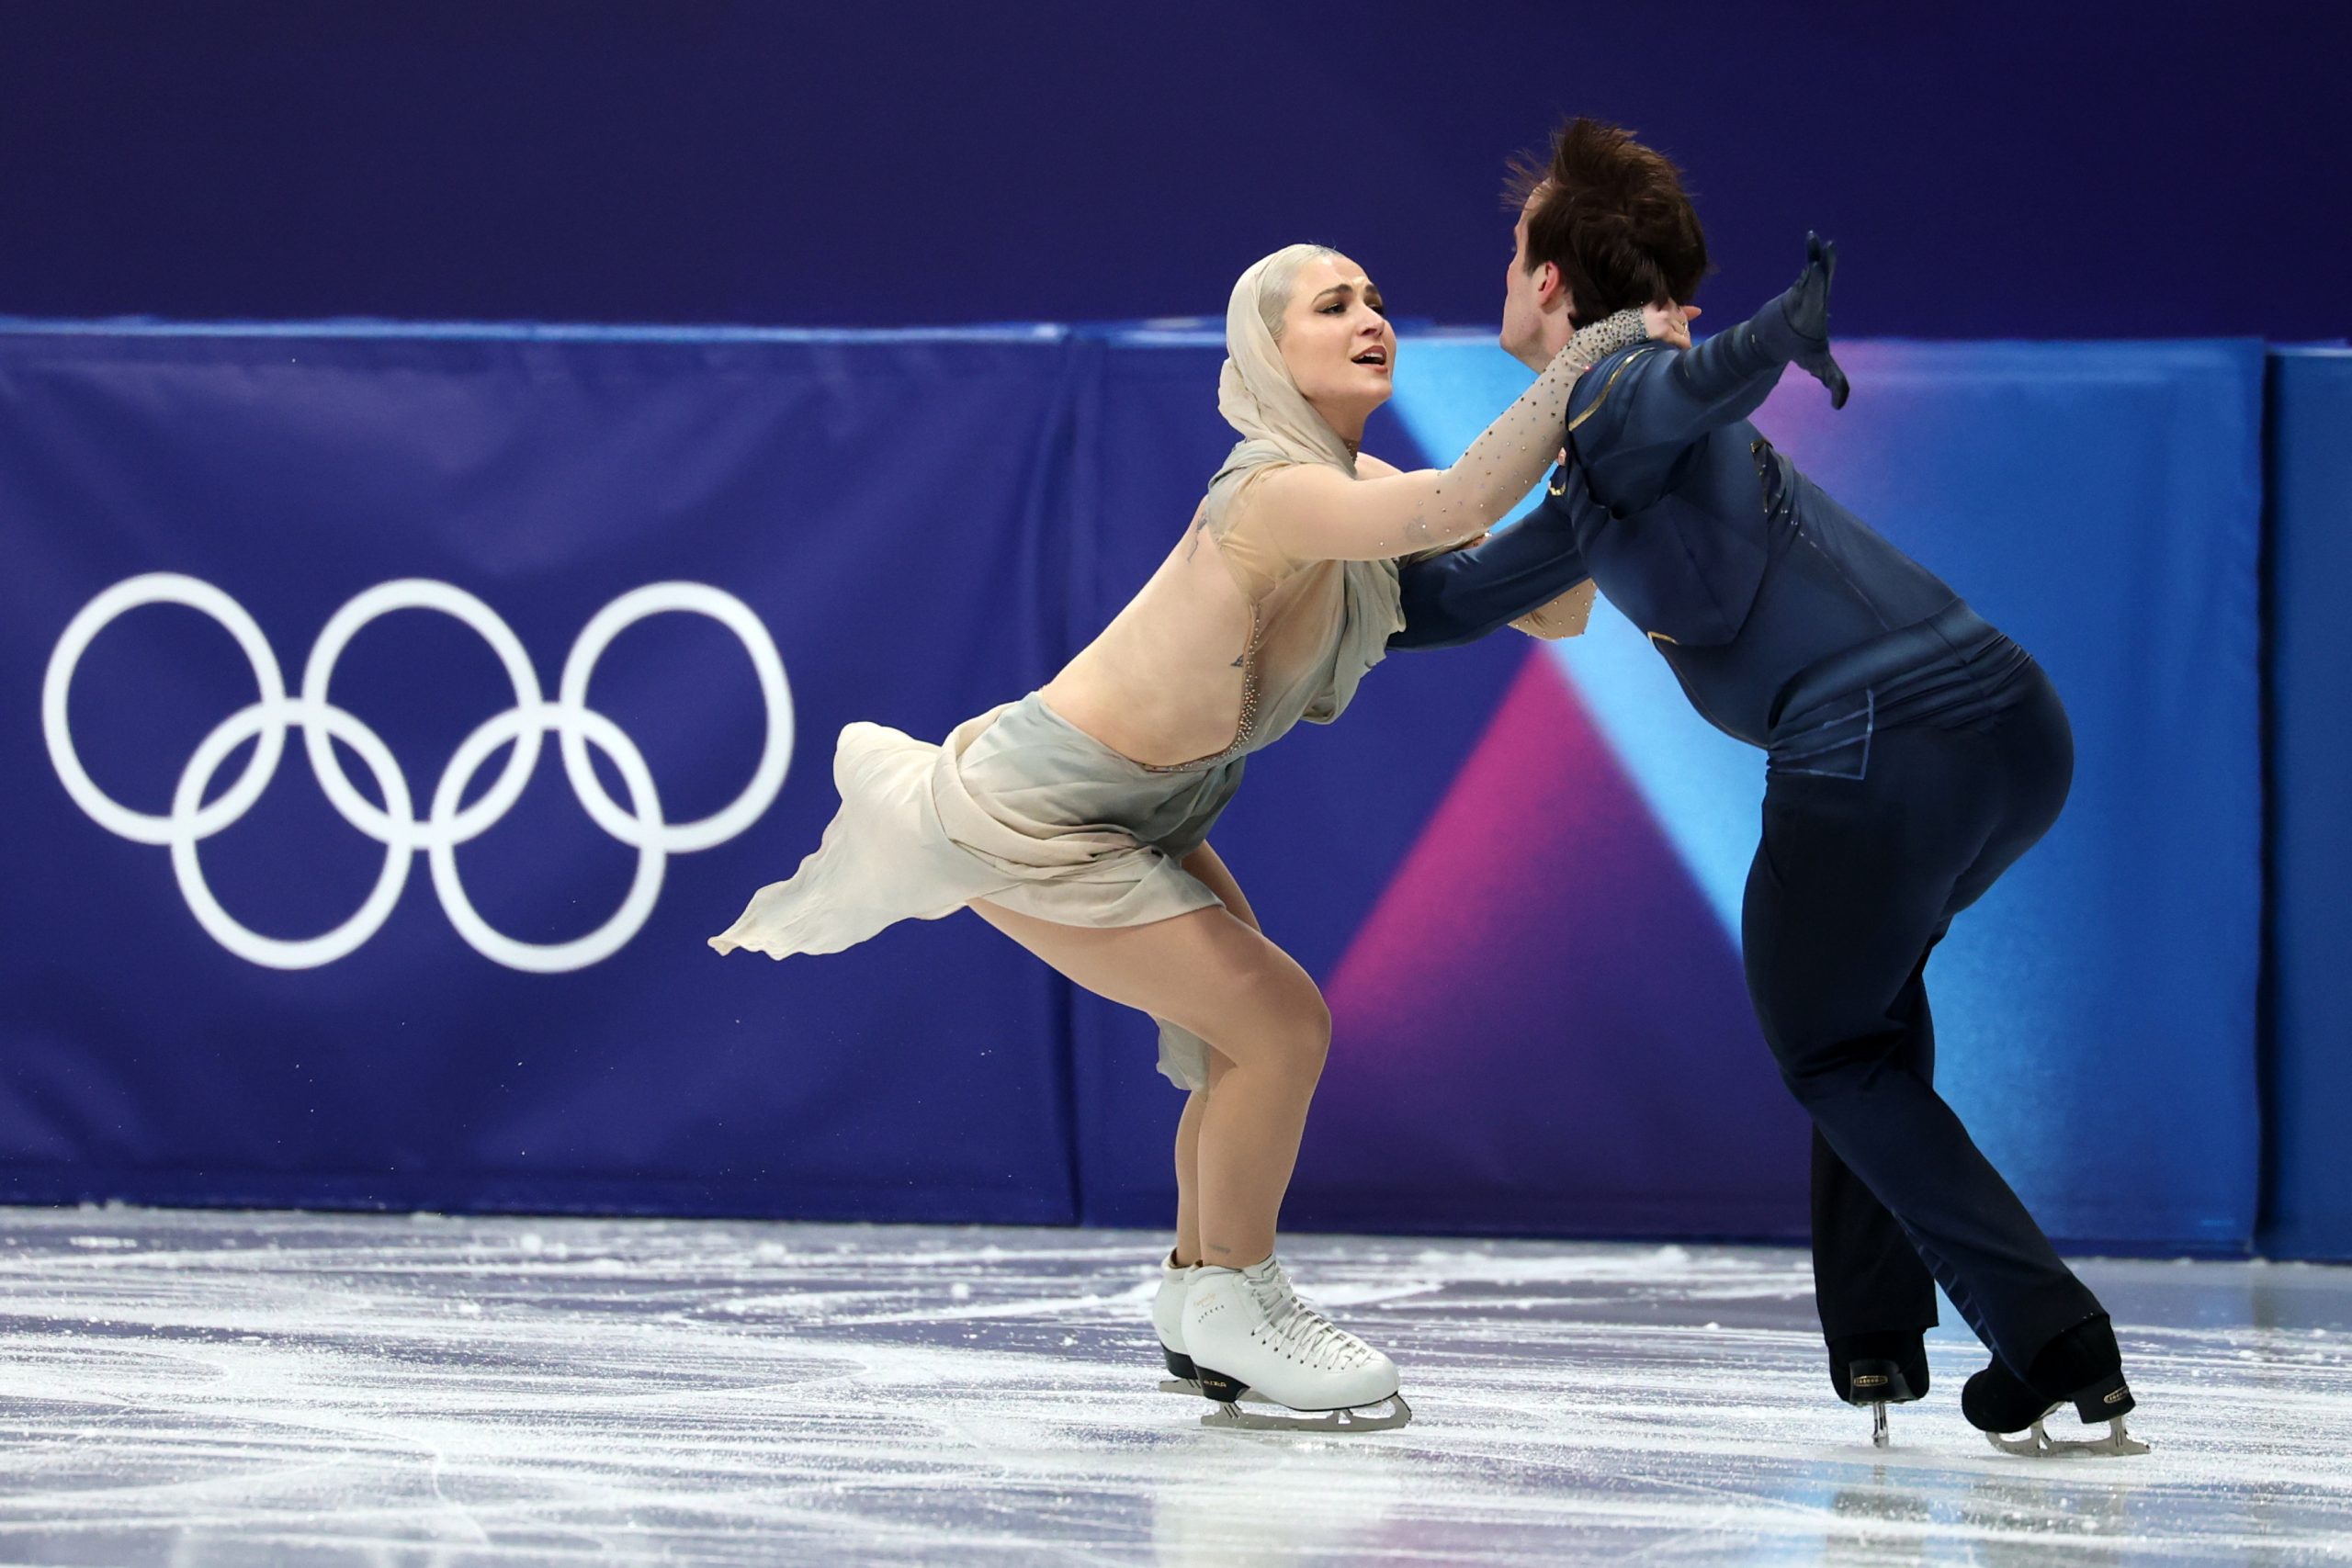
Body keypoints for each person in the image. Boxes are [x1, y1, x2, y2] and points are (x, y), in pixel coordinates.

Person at [712, 242, 1673, 1432]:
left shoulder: (1355, 487)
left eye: (1375, 300)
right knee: (1281, 1026)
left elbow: (1558, 604)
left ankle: (1198, 1297)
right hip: (1043, 812)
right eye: (1334, 305)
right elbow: (1465, 504)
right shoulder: (1275, 492)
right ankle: (1236, 1299)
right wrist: (1595, 352)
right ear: (1268, 350)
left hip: (1141, 811)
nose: (1370, 318)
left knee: (1241, 1039)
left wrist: (1619, 443)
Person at [1391, 118, 2148, 1458]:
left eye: (1514, 256)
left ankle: (2052, 1336)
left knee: (1831, 1044)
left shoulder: (1619, 390)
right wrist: (1287, 579)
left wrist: (1768, 337)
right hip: (2005, 725)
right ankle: (1878, 1336)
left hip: (1878, 742)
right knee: (1861, 1013)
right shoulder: (1597, 471)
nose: (1501, 275)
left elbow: (1680, 386)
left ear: (1553, 281)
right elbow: (1447, 602)